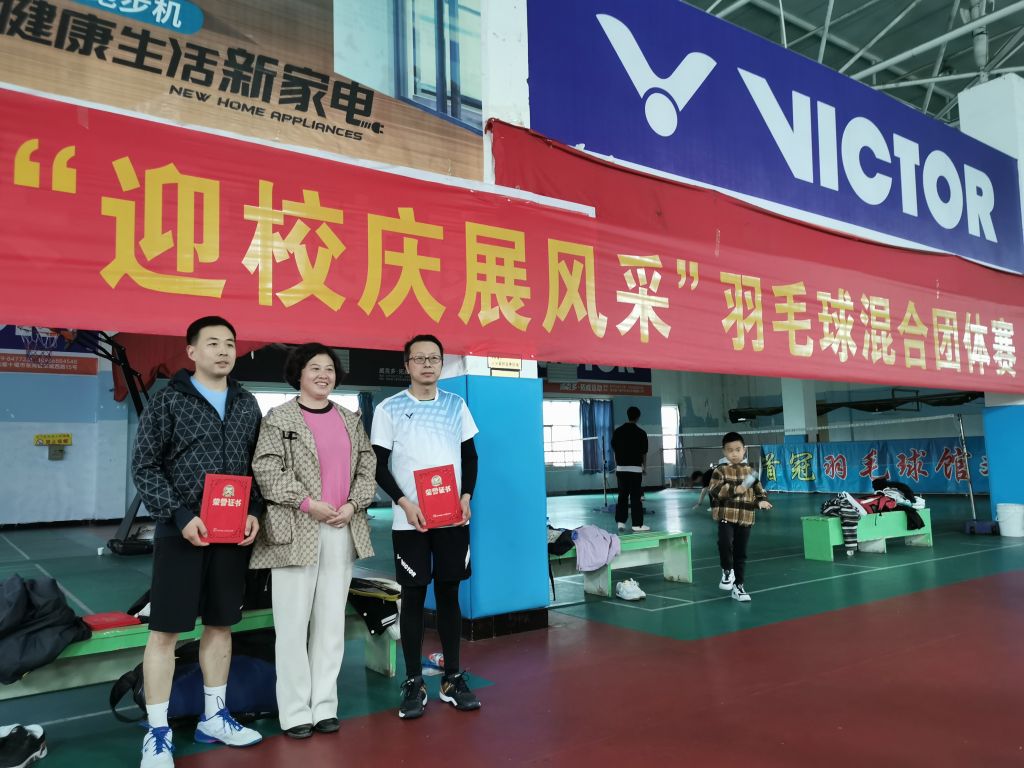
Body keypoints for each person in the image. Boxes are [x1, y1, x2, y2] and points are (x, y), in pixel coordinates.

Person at [131, 316, 264, 767]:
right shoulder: (168, 400)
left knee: (221, 625)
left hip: (231, 534)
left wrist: (254, 510)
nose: (223, 351)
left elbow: (257, 467)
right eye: (212, 343)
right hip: (181, 532)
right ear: (191, 352)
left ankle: (214, 716)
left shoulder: (247, 403)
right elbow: (145, 466)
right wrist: (180, 515)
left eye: (230, 343)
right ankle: (158, 731)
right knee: (165, 632)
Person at [249, 343, 377, 739]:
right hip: (295, 529)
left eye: (329, 369)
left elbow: (367, 466)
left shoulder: (350, 420)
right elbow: (264, 469)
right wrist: (307, 503)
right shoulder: (278, 418)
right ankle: (294, 712)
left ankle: (324, 706)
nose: (324, 375)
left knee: (331, 623)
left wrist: (353, 504)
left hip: (341, 528)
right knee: (292, 626)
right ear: (298, 375)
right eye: (315, 368)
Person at [370, 334, 482, 720]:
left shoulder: (455, 405)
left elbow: (470, 456)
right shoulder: (389, 408)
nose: (428, 365)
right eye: (419, 359)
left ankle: (452, 678)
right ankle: (414, 681)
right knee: (414, 595)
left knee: (449, 593)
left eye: (434, 358)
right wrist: (403, 503)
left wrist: (466, 496)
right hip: (410, 521)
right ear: (407, 365)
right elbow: (377, 465)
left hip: (451, 518)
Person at [708, 431, 772, 603]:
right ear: (724, 451)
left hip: (746, 518)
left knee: (741, 553)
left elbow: (759, 492)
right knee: (724, 543)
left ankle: (739, 586)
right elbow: (714, 490)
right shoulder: (720, 471)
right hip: (726, 516)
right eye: (730, 450)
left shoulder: (751, 473)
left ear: (744, 450)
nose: (734, 454)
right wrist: (735, 489)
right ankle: (727, 570)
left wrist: (761, 502)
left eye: (738, 449)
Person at [611, 406, 649, 532]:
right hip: (635, 470)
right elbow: (644, 453)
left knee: (622, 496)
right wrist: (644, 467)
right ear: (638, 417)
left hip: (621, 469)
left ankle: (621, 522)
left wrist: (617, 466)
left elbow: (615, 451)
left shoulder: (617, 432)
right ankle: (637, 525)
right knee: (635, 497)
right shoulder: (641, 433)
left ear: (627, 415)